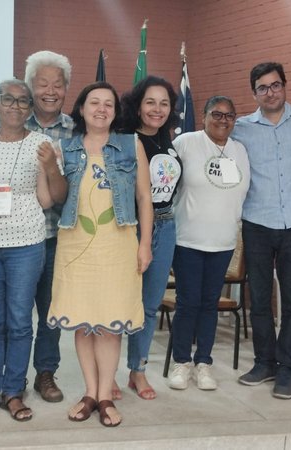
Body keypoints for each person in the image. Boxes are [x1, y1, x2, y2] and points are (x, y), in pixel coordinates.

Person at [47, 82, 153, 427]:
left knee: (110, 324)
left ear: (115, 111)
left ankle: (106, 394)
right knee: (83, 321)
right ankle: (90, 392)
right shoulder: (65, 147)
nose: (101, 109)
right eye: (94, 102)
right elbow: (54, 196)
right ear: (81, 108)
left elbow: (143, 198)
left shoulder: (131, 144)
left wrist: (145, 243)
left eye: (108, 104)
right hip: (76, 244)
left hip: (118, 244)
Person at [0, 79, 66, 423]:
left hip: (26, 244)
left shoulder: (41, 144)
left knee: (20, 323)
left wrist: (51, 166)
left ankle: (14, 391)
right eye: (9, 100)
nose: (16, 107)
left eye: (24, 102)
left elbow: (50, 199)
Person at [231, 62, 291, 400]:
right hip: (257, 223)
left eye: (276, 85)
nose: (270, 92)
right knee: (259, 298)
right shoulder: (241, 128)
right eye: (263, 88)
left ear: (285, 86)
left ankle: (287, 368)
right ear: (254, 93)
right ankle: (265, 362)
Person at [168, 96, 250, 391]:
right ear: (203, 116)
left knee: (209, 305)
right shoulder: (186, 143)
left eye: (229, 116)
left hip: (223, 241)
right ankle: (181, 363)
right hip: (188, 239)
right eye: (217, 114)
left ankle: (203, 363)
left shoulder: (240, 150)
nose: (223, 120)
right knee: (188, 303)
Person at [119, 76, 182, 400]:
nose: (157, 109)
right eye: (150, 102)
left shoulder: (170, 140)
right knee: (119, 303)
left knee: (149, 305)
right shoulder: (124, 141)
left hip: (166, 227)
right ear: (138, 105)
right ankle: (108, 373)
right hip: (130, 228)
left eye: (164, 103)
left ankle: (137, 370)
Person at [24, 51, 75, 403]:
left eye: (58, 84)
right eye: (43, 83)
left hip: (58, 236)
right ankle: (10, 377)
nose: (50, 90)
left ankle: (45, 373)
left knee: (50, 313)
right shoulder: (10, 124)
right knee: (14, 314)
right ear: (30, 86)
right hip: (15, 240)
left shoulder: (76, 130)